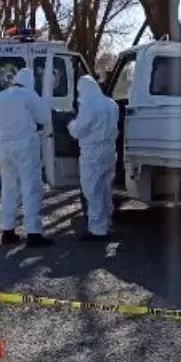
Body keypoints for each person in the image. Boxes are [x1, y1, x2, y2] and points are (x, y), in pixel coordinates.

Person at [0, 67, 52, 247]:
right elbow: (44, 117)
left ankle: (7, 231)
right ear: (30, 82)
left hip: (4, 146)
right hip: (25, 146)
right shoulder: (28, 95)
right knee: (30, 188)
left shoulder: (0, 97)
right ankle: (33, 233)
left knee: (9, 188)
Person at [67, 74, 120, 242]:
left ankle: (97, 230)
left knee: (93, 191)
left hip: (93, 154)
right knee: (105, 189)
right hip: (109, 152)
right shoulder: (112, 104)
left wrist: (70, 122)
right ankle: (106, 223)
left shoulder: (89, 106)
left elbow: (78, 130)